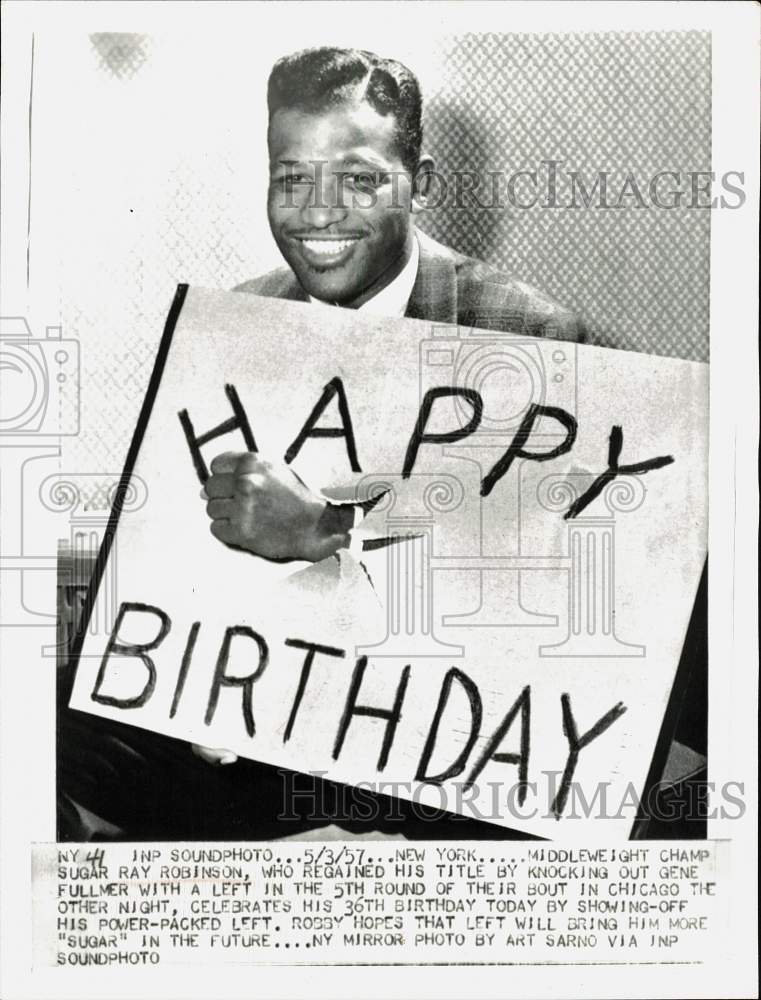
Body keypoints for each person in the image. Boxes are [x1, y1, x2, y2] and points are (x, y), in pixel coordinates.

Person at [59, 46, 588, 842]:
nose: (317, 212)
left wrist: (325, 535)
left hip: (413, 742)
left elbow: (546, 611)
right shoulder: (237, 317)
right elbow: (169, 564)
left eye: (360, 178)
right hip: (241, 719)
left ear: (422, 182)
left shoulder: (526, 332)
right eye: (291, 178)